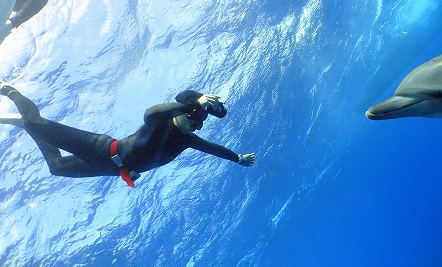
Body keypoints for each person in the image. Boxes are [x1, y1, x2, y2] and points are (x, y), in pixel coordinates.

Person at [0, 83, 255, 186]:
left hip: (110, 168)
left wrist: (237, 158)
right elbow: (150, 113)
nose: (196, 126)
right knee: (36, 122)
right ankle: (10, 92)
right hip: (101, 149)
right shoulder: (162, 122)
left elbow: (214, 149)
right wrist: (190, 104)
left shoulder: (187, 140)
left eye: (200, 124)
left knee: (56, 167)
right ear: (182, 113)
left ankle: (30, 128)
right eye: (194, 118)